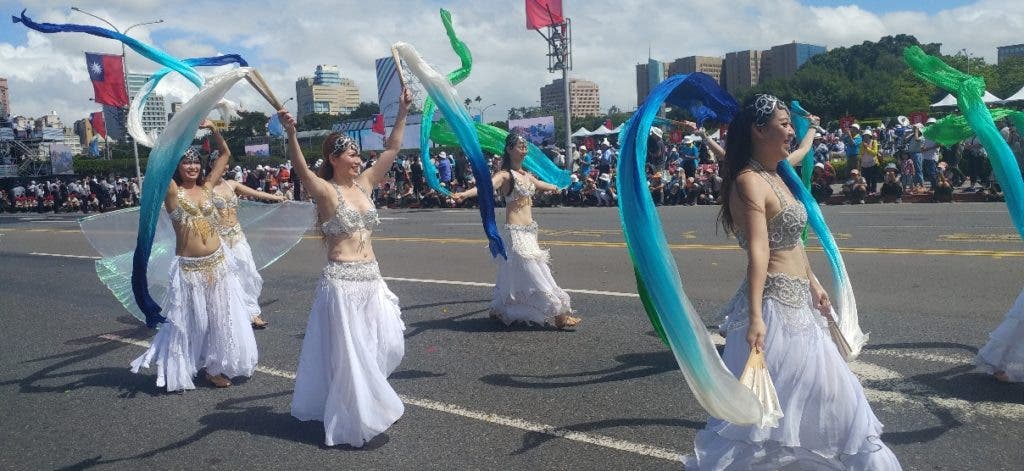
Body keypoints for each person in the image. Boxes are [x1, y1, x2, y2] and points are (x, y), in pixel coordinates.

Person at [686, 94, 901, 470]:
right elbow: (759, 253)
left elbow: (790, 244)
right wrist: (755, 317)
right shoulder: (749, 182)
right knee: (775, 414)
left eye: (790, 124)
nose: (790, 131)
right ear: (758, 131)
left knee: (824, 401)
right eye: (784, 124)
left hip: (801, 302)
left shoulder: (776, 174)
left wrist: (814, 283)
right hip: (775, 310)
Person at [278, 89, 411, 447]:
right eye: (351, 153)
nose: (358, 158)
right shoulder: (325, 191)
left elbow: (392, 150)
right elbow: (303, 170)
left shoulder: (365, 184)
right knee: (354, 357)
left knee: (389, 344)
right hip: (342, 284)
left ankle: (368, 402)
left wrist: (401, 112)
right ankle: (357, 417)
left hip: (372, 280)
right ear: (335, 159)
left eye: (357, 153)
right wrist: (291, 133)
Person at [130, 120, 258, 391]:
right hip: (190, 269)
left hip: (219, 263)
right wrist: (172, 139)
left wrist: (213, 128)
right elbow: (160, 168)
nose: (192, 167)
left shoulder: (209, 188)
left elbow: (224, 154)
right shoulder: (172, 192)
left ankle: (214, 367)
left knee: (221, 318)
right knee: (195, 321)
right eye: (186, 163)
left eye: (196, 162)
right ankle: (188, 363)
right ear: (176, 166)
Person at [453, 133, 581, 329]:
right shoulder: (505, 175)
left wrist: (557, 186)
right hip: (516, 233)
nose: (524, 150)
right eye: (520, 146)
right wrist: (464, 194)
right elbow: (485, 187)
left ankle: (499, 308)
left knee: (510, 272)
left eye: (525, 147)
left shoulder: (527, 175)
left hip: (530, 231)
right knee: (538, 271)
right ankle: (559, 313)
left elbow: (541, 185)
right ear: (509, 149)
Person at [210, 167, 287, 329]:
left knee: (248, 273)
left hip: (237, 237)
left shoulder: (231, 184)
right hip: (219, 240)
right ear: (211, 165)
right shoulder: (205, 188)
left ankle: (253, 313)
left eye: (225, 165)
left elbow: (255, 193)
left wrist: (275, 198)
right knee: (226, 279)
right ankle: (231, 315)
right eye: (220, 164)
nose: (224, 168)